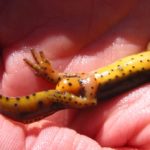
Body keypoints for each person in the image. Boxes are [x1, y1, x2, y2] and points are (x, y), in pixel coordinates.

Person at [0, 0, 150, 149]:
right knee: (77, 85)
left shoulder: (80, 87)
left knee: (77, 86)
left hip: (92, 89)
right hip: (92, 87)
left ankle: (71, 94)